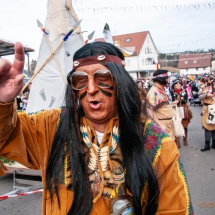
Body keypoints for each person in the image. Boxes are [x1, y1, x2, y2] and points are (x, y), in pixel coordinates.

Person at [0, 42, 194, 215]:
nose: (91, 89)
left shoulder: (156, 144)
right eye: (81, 81)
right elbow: (6, 137)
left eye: (102, 77)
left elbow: (175, 209)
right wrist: (2, 101)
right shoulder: (51, 127)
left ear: (121, 83)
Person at [146, 70, 178, 141]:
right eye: (166, 78)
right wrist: (160, 124)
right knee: (164, 149)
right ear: (161, 79)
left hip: (168, 124)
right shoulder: (154, 92)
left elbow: (161, 105)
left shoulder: (161, 90)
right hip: (162, 124)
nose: (168, 80)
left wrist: (171, 104)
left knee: (170, 148)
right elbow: (149, 110)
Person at [170, 79, 193, 148]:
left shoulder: (184, 91)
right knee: (176, 124)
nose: (178, 85)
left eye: (179, 84)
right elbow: (171, 100)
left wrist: (178, 100)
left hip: (183, 109)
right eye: (176, 84)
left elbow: (185, 100)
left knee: (184, 124)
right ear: (174, 85)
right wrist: (178, 100)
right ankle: (177, 141)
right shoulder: (171, 92)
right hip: (175, 109)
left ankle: (185, 139)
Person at [199, 80, 215, 151]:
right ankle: (207, 145)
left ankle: (214, 144)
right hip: (207, 110)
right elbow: (200, 97)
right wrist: (206, 95)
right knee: (208, 128)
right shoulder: (207, 88)